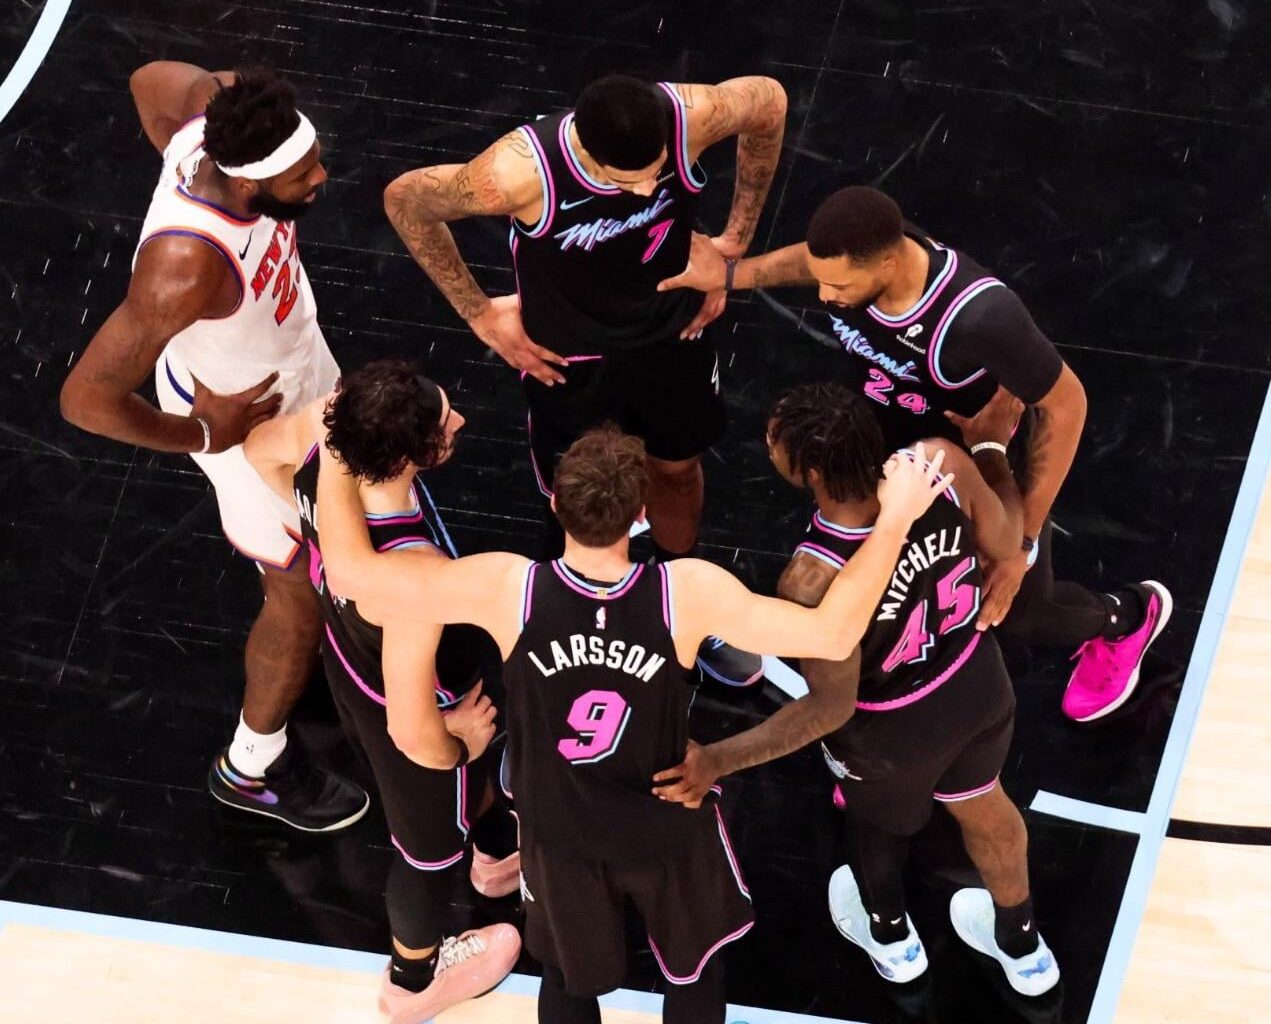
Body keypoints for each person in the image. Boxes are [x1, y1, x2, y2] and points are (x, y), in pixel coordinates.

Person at [314, 423, 953, 1024]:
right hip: (664, 823)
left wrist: (337, 442)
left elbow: (349, 573)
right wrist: (896, 518)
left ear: (556, 504)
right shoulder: (686, 593)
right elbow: (833, 632)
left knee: (567, 979)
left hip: (559, 829)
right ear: (641, 512)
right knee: (694, 974)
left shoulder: (506, 586)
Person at [658, 185, 1171, 722]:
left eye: (839, 285)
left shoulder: (980, 317)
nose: (825, 295)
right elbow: (813, 263)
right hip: (901, 449)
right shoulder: (863, 258)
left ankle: (1128, 617)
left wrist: (1019, 545)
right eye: (824, 279)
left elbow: (1067, 406)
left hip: (977, 462)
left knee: (1016, 608)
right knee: (891, 579)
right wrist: (732, 275)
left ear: (887, 261)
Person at [382, 72, 789, 686]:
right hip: (568, 356)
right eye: (629, 181)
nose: (648, 188)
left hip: (671, 331)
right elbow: (407, 199)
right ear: (588, 153)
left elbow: (770, 102)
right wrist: (479, 315)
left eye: (657, 172)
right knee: (575, 497)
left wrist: (734, 243)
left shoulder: (694, 114)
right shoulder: (518, 172)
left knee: (678, 471)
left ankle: (687, 598)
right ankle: (568, 616)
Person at [655, 382, 1060, 997]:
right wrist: (990, 450)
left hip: (891, 730)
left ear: (811, 471)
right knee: (988, 806)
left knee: (876, 828)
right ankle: (1024, 947)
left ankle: (892, 940)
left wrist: (717, 759)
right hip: (975, 684)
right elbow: (1006, 543)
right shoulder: (938, 462)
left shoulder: (810, 577)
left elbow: (831, 706)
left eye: (774, 438)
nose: (767, 440)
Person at [59, 63, 365, 829]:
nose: (321, 178)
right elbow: (85, 400)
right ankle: (253, 766)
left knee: (345, 521)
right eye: (304, 174)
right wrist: (205, 432)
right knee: (295, 595)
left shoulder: (213, 115)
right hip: (245, 430)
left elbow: (147, 78)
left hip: (297, 375)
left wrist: (170, 152)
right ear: (251, 183)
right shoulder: (183, 268)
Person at [243, 360, 522, 1023]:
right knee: (427, 855)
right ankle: (412, 981)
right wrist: (455, 744)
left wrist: (306, 525)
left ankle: (496, 855)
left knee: (472, 788)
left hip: (352, 664)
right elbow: (410, 732)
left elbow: (256, 451)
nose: (461, 420)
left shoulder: (322, 436)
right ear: (406, 457)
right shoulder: (411, 574)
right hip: (414, 709)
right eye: (446, 423)